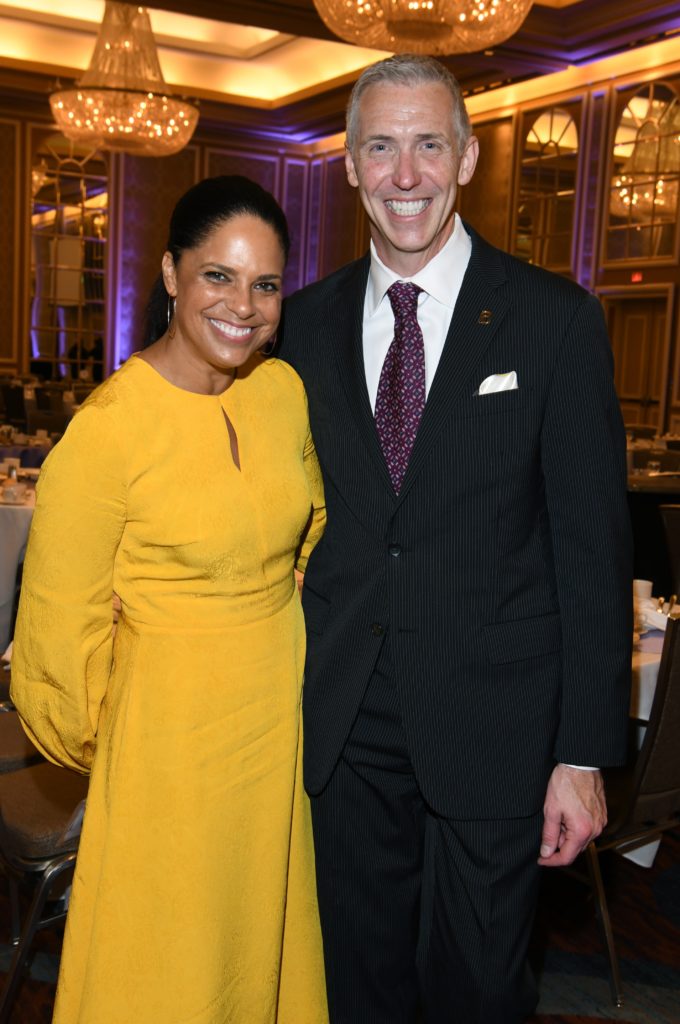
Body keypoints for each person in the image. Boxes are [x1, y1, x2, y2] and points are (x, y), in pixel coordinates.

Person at [279, 55, 632, 1023]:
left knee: (478, 992)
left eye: (426, 145)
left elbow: (592, 557)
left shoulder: (553, 321)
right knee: (356, 991)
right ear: (347, 166)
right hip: (342, 726)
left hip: (498, 736)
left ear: (466, 157)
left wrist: (580, 754)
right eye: (380, 147)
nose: (404, 174)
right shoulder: (298, 329)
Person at [11, 175, 328, 1024]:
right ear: (171, 274)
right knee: (168, 958)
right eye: (218, 275)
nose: (244, 305)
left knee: (254, 934)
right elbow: (53, 628)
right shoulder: (110, 429)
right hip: (166, 745)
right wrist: (118, 737)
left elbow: (312, 520)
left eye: (265, 283)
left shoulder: (283, 393)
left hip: (273, 728)